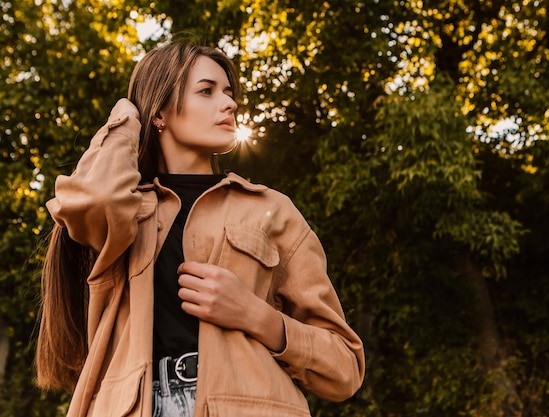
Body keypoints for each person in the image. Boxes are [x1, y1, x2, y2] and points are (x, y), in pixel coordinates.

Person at [36, 41, 365, 417]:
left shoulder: (272, 210)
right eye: (206, 91)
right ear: (159, 112)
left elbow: (344, 369)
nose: (230, 104)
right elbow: (92, 198)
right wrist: (128, 115)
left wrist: (255, 315)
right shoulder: (124, 211)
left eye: (228, 92)